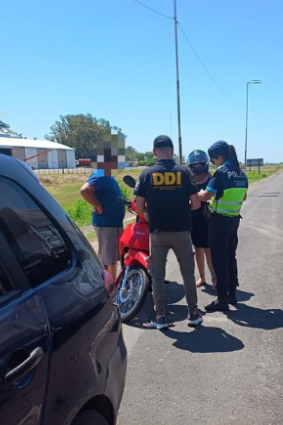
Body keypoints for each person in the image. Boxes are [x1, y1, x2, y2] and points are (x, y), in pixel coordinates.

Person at [134, 135, 203, 329]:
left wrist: (152, 211)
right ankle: (193, 313)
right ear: (172, 151)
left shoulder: (146, 174)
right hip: (182, 232)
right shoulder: (185, 172)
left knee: (157, 275)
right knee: (188, 273)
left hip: (158, 232)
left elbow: (139, 207)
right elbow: (196, 204)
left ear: (155, 152)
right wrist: (181, 210)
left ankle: (161, 317)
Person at [198, 140, 249, 313]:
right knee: (230, 257)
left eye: (213, 160)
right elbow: (243, 198)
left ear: (220, 157)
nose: (213, 163)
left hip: (219, 222)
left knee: (218, 260)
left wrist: (197, 193)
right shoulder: (241, 173)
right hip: (234, 220)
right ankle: (232, 294)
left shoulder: (220, 173)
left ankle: (221, 299)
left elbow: (206, 196)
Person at [79, 137, 126, 281]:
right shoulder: (100, 174)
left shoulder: (108, 175)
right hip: (106, 224)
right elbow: (85, 190)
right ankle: (111, 290)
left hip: (114, 222)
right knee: (109, 258)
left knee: (113, 256)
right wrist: (98, 205)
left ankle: (113, 284)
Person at [187, 149, 216, 289]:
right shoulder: (190, 181)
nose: (198, 166)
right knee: (198, 249)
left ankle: (214, 277)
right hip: (194, 219)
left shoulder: (212, 180)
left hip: (209, 218)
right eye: (195, 164)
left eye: (200, 164)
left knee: (209, 250)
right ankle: (202, 278)